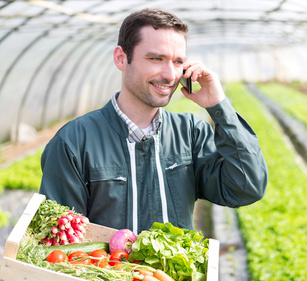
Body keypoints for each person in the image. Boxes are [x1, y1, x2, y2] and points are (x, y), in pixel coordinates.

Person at [39, 8, 268, 234]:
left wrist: (219, 107)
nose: (169, 75)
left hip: (173, 274)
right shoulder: (74, 141)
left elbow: (247, 187)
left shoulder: (190, 133)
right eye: (156, 58)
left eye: (178, 62)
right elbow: (62, 238)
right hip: (103, 272)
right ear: (121, 58)